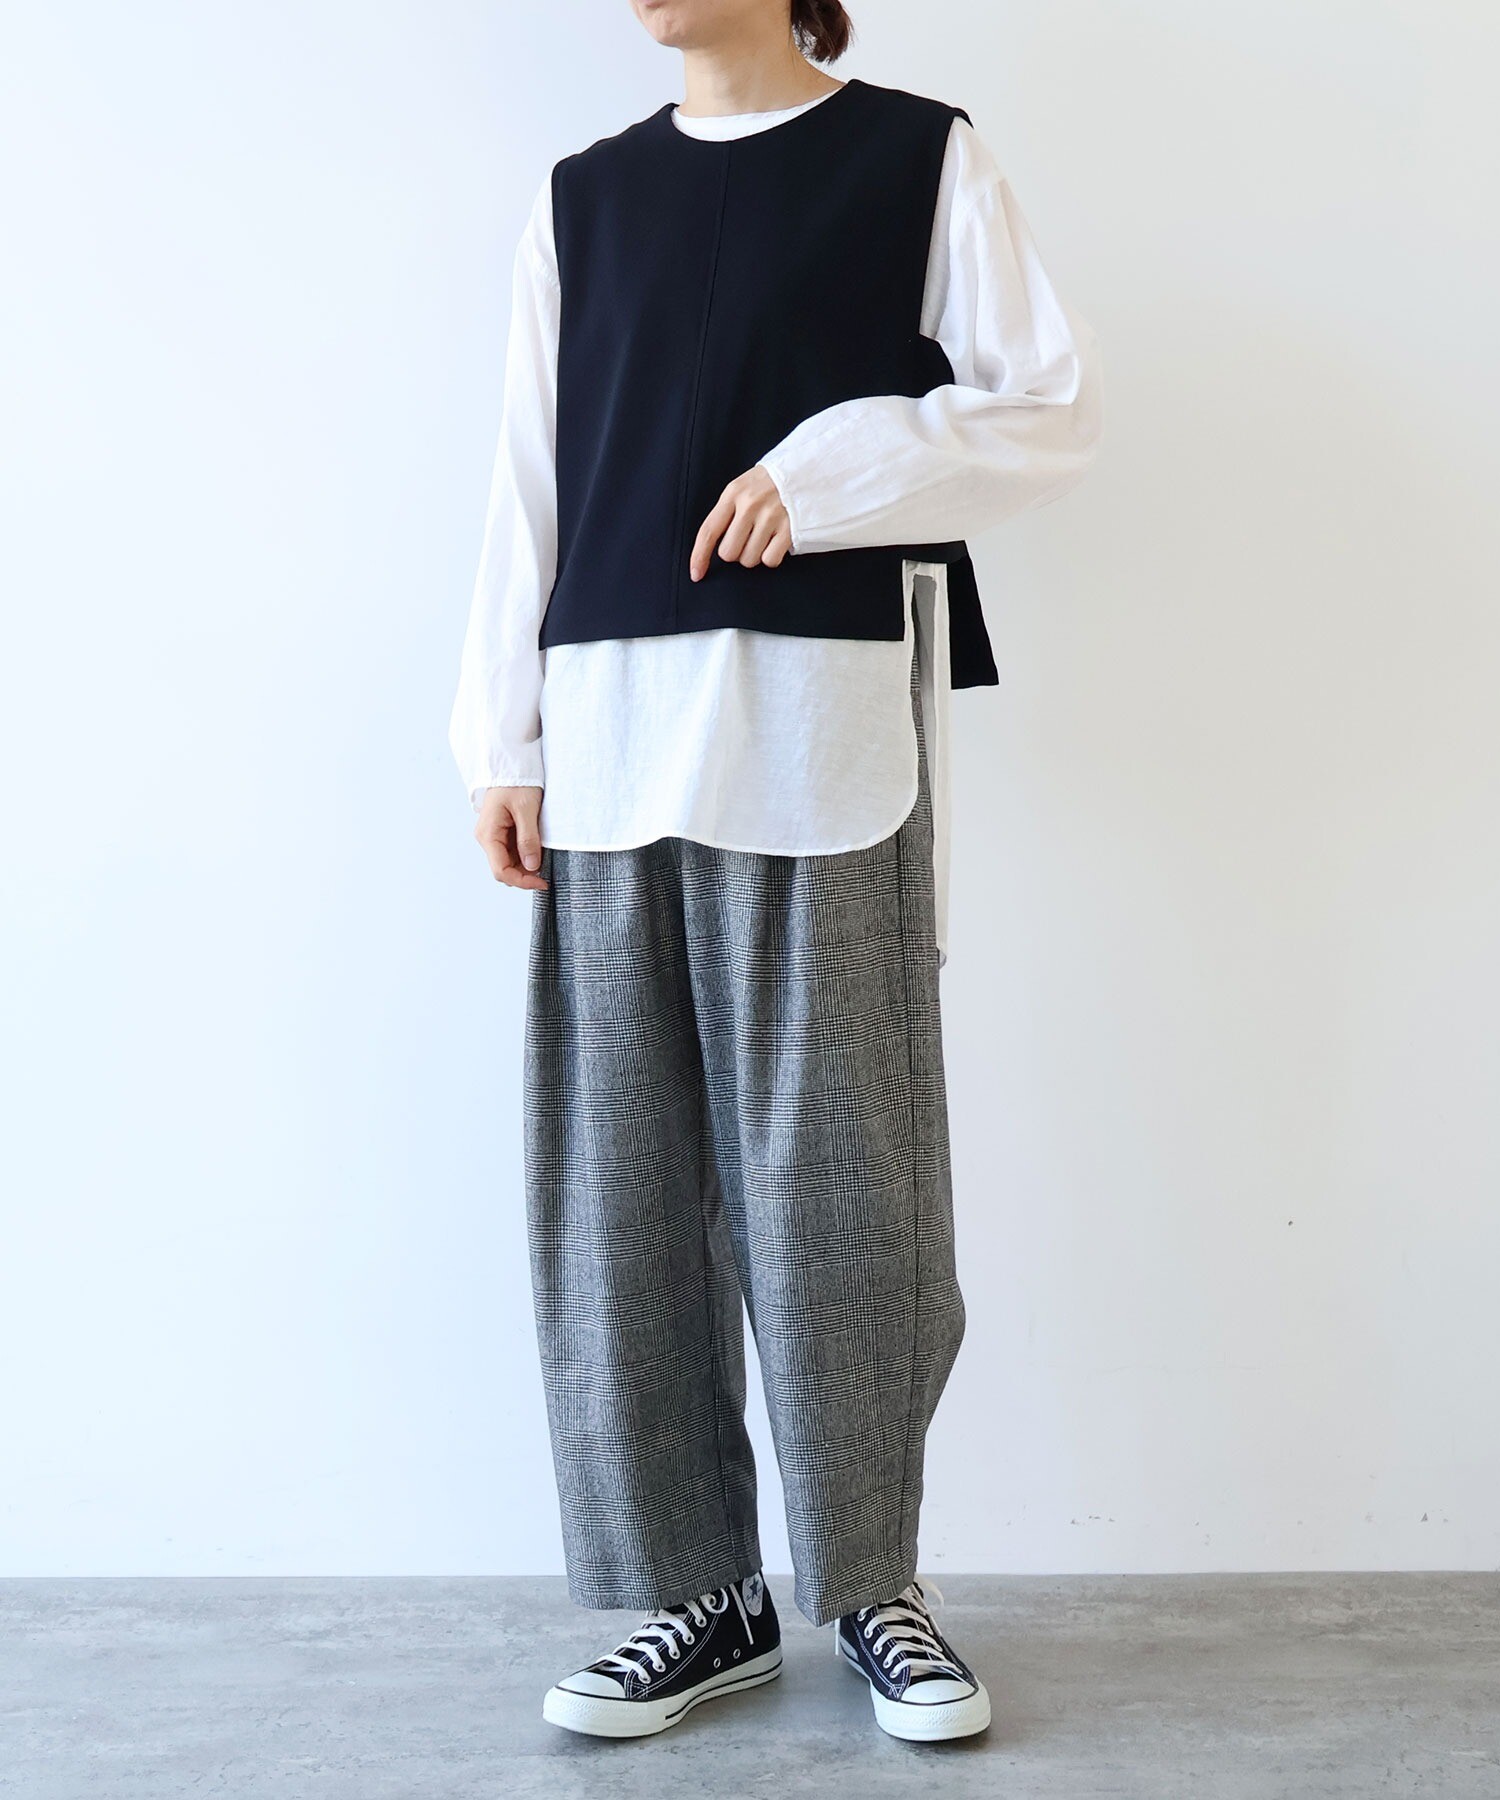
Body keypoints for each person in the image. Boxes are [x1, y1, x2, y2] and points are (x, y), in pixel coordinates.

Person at [448, 0, 1102, 1744]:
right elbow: (527, 479)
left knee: (844, 1181)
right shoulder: (584, 199)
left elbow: (1050, 408)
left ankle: (872, 1580)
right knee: (621, 1194)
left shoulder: (916, 158)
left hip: (819, 729)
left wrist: (831, 477)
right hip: (608, 737)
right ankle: (700, 1596)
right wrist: (501, 738)